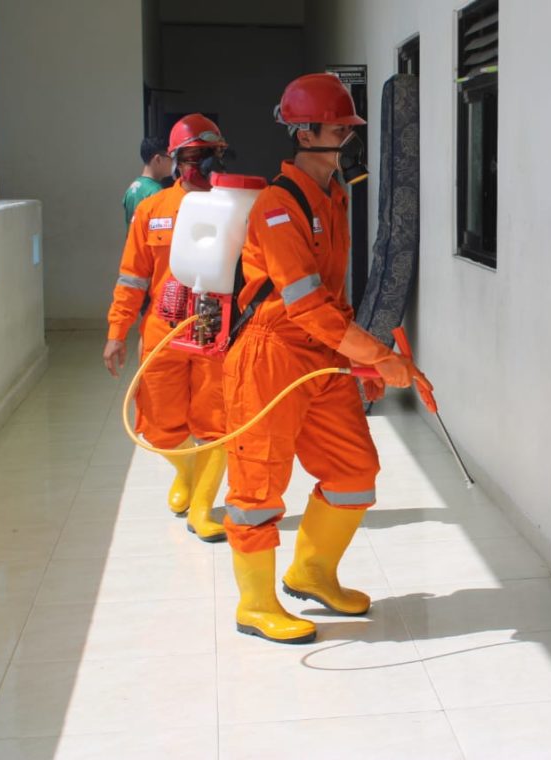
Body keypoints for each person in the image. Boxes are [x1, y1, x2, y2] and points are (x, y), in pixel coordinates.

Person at [222, 73, 430, 644]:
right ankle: (255, 604)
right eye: (339, 126)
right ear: (304, 131)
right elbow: (307, 305)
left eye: (348, 127)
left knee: (354, 470)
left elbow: (330, 304)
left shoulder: (333, 194)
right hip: (271, 355)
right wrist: (379, 356)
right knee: (258, 487)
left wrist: (359, 361)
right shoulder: (277, 206)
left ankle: (311, 572)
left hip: (321, 354)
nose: (346, 135)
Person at [103, 114, 231, 543]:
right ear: (174, 159)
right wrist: (116, 333)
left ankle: (202, 507)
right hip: (165, 331)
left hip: (219, 332)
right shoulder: (152, 210)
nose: (202, 164)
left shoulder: (237, 207)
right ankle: (188, 472)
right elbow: (131, 277)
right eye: (193, 155)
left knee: (218, 422)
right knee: (159, 424)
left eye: (210, 155)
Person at [122, 136, 170, 225]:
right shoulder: (156, 191)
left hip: (132, 238)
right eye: (170, 157)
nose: (173, 162)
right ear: (158, 159)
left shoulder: (133, 186)